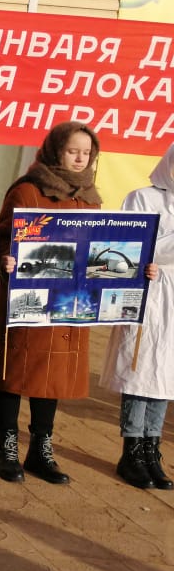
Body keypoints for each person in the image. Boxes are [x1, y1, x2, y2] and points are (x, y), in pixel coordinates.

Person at [0, 122, 103, 484]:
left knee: (52, 375)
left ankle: (41, 448)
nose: (80, 158)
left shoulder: (91, 197)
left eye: (87, 152)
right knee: (15, 371)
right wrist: (4, 258)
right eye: (73, 150)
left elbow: (101, 248)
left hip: (69, 303)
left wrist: (134, 269)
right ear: (55, 150)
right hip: (29, 300)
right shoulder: (26, 191)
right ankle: (6, 447)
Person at [102, 143, 174, 490]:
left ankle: (152, 447)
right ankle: (131, 448)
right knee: (139, 367)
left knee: (166, 373)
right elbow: (126, 244)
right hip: (148, 291)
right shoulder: (143, 198)